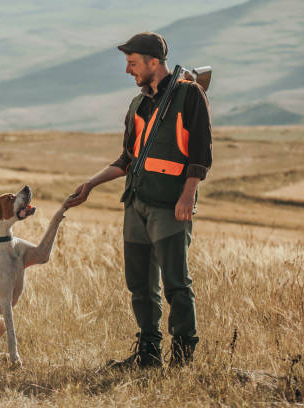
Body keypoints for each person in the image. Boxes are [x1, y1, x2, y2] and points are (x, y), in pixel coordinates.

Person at [66, 31, 212, 369]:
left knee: (176, 283)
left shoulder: (190, 95)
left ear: (154, 62)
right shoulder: (138, 105)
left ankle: (183, 356)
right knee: (140, 285)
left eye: (133, 64)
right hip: (136, 204)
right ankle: (148, 353)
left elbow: (201, 153)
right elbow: (126, 159)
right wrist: (90, 184)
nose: (128, 70)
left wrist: (188, 195)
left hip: (170, 205)